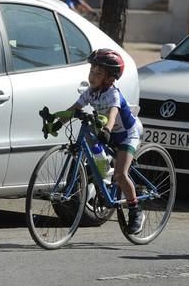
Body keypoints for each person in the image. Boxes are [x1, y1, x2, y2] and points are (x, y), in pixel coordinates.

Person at [51, 49, 145, 234]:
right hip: (107, 132)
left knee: (120, 175)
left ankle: (136, 210)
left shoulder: (113, 94)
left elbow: (112, 114)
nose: (93, 76)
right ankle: (106, 178)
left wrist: (108, 129)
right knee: (93, 148)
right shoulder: (91, 92)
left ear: (110, 79)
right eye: (92, 71)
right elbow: (74, 108)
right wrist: (57, 124)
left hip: (127, 134)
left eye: (98, 73)